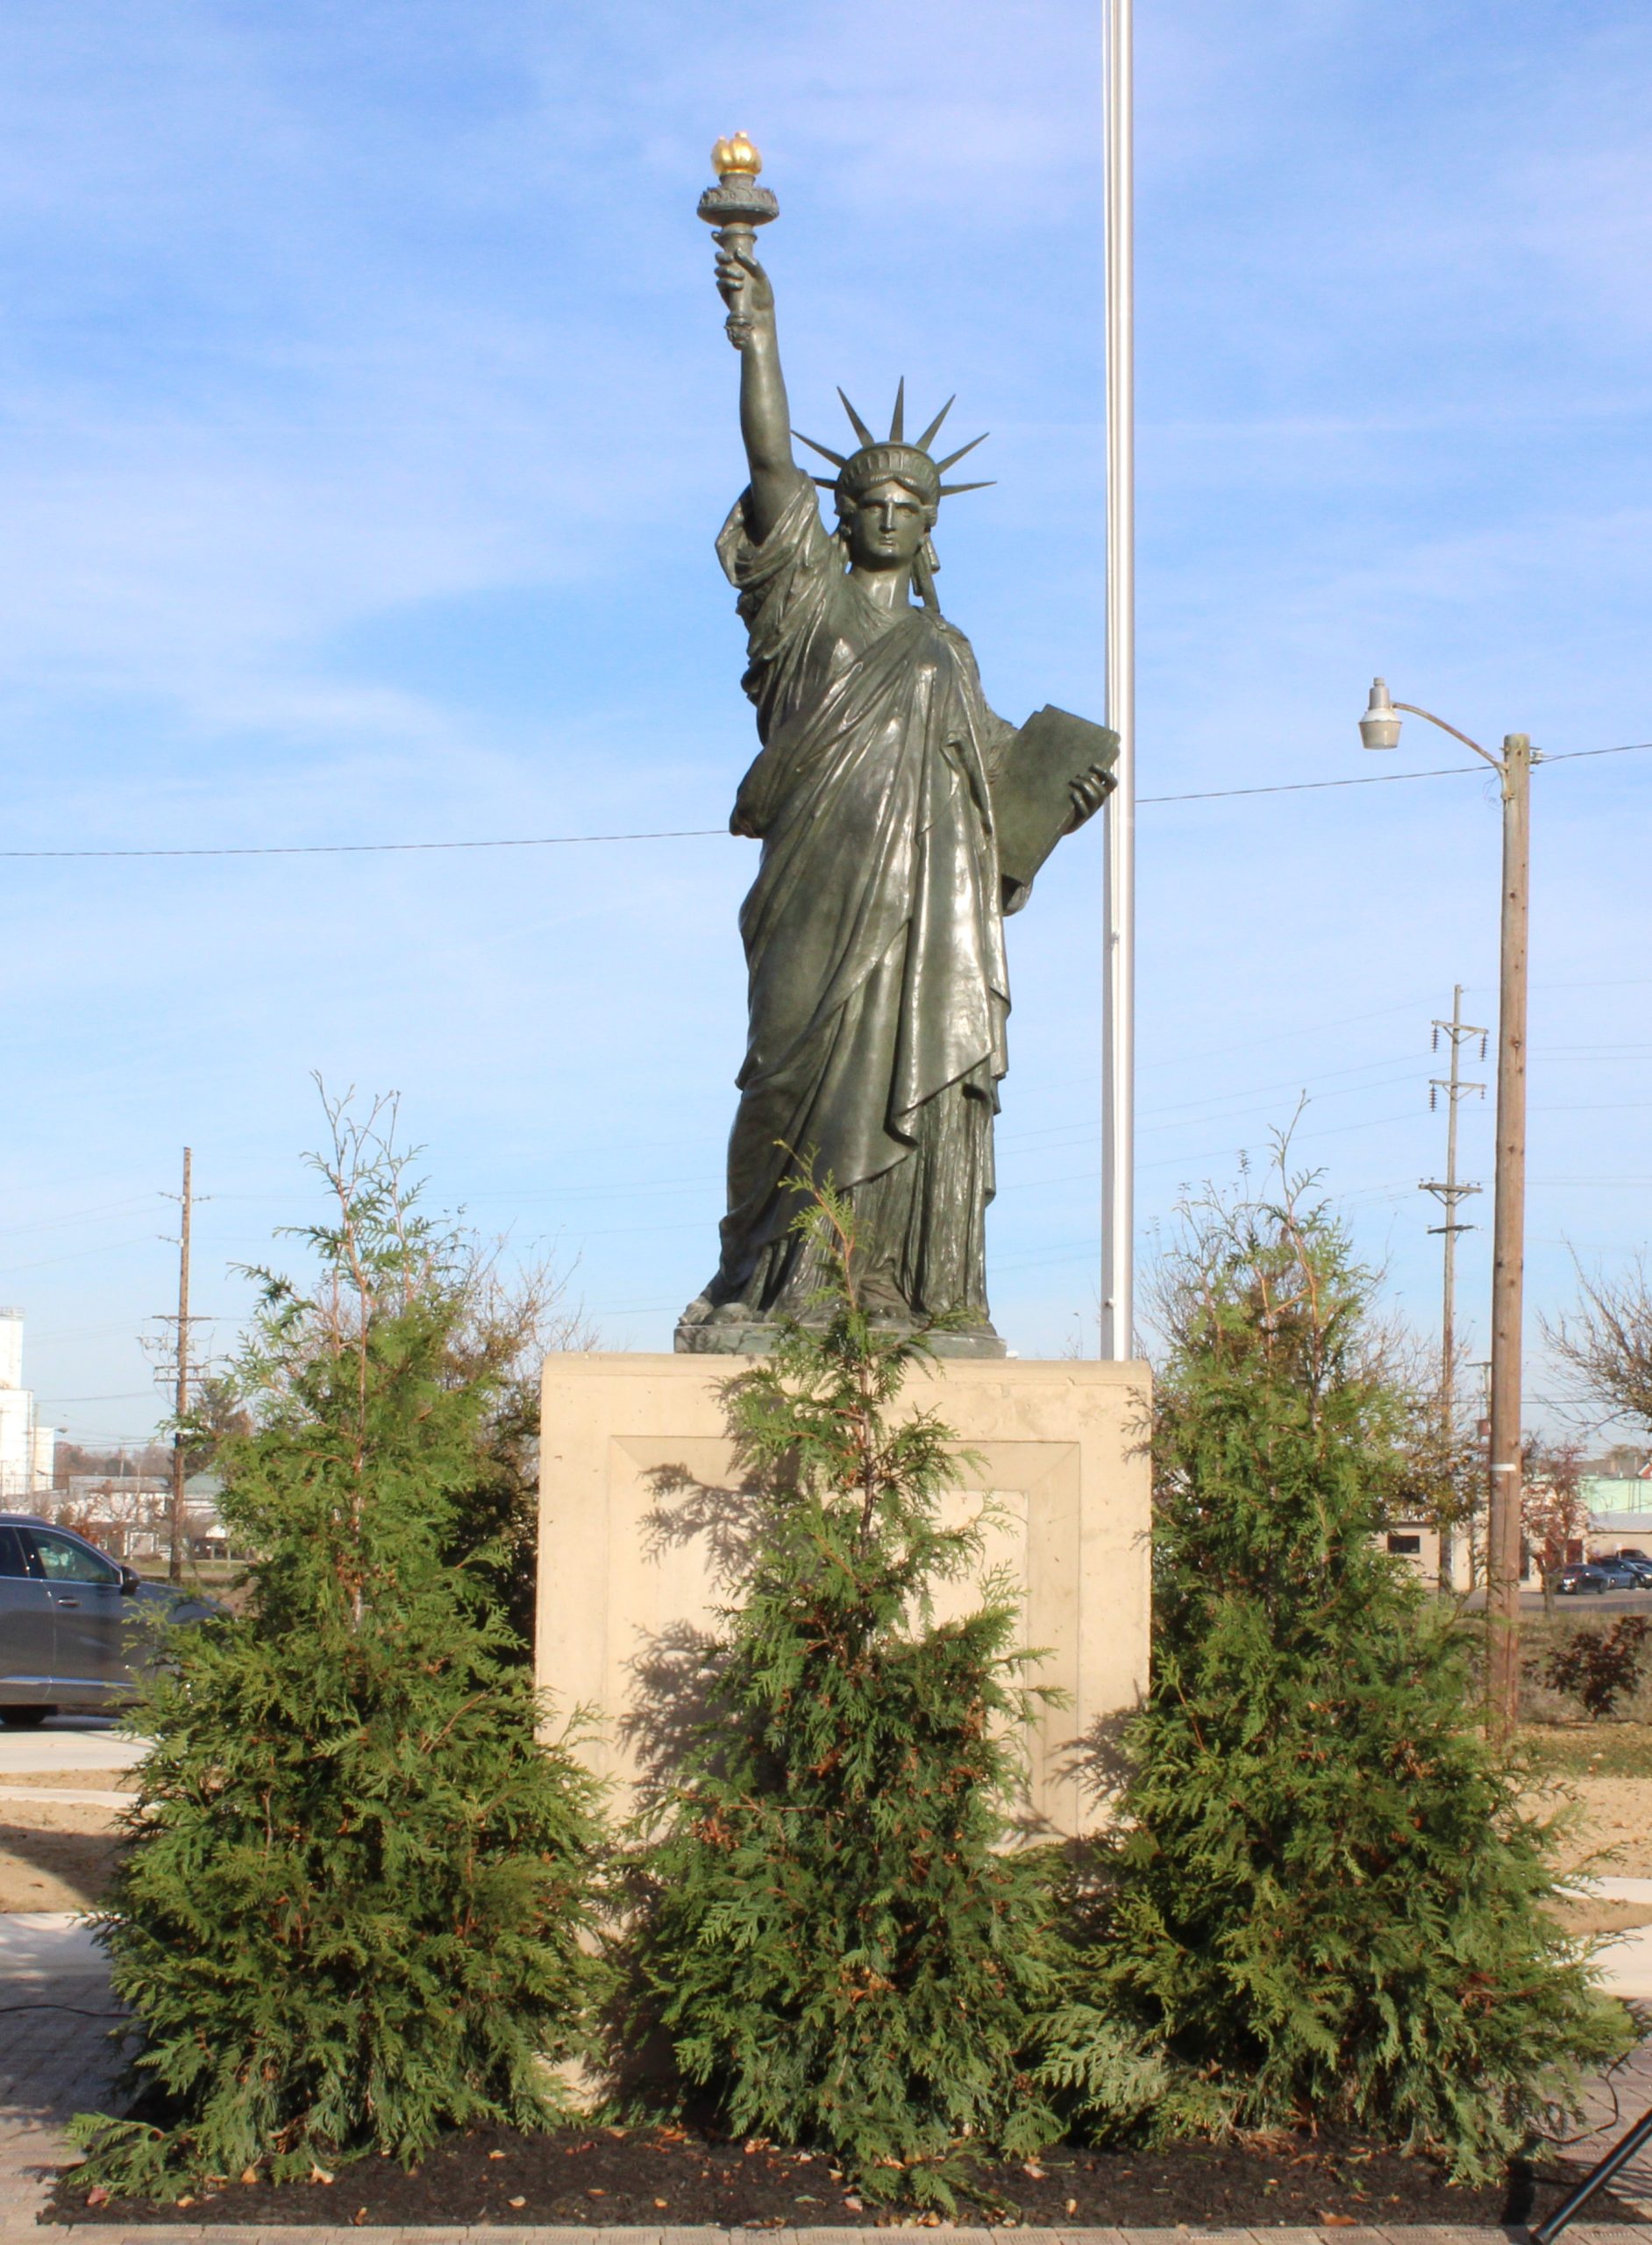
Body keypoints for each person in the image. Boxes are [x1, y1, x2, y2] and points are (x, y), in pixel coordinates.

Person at [675, 242, 1110, 1354]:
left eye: (911, 502)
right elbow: (770, 463)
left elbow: (998, 782)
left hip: (926, 918)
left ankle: (905, 1293)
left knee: (917, 1088)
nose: (890, 513)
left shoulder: (945, 649)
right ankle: (775, 1282)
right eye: (870, 498)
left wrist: (1063, 796)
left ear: (930, 526)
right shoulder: (806, 603)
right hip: (815, 899)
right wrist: (759, 334)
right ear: (845, 512)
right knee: (788, 1074)